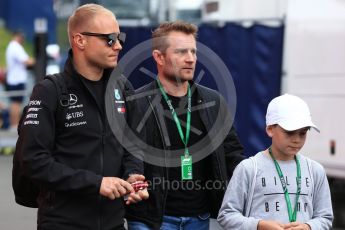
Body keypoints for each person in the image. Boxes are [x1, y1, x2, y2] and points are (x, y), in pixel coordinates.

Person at [15, 4, 148, 230]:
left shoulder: (122, 87)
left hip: (113, 222)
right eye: (109, 39)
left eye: (120, 37)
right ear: (80, 41)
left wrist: (133, 174)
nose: (118, 45)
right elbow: (33, 161)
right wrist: (95, 184)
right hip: (63, 223)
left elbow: (132, 143)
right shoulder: (50, 91)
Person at [125, 21, 245, 230]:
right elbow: (130, 153)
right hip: (150, 220)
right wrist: (132, 178)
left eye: (193, 51)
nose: (190, 58)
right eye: (181, 52)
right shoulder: (137, 102)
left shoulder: (213, 101)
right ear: (159, 57)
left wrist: (258, 179)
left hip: (199, 218)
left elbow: (232, 153)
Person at [217, 94, 333, 230]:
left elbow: (325, 217)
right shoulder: (249, 168)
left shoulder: (315, 170)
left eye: (303, 133)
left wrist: (308, 227)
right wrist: (259, 225)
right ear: (270, 129)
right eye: (289, 132)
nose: (296, 139)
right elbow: (226, 215)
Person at [5, 30, 35, 131]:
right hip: (16, 80)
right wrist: (39, 60)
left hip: (13, 79)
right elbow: (26, 61)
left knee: (15, 103)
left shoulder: (12, 46)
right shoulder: (15, 47)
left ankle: (14, 125)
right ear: (18, 36)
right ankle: (14, 125)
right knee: (16, 104)